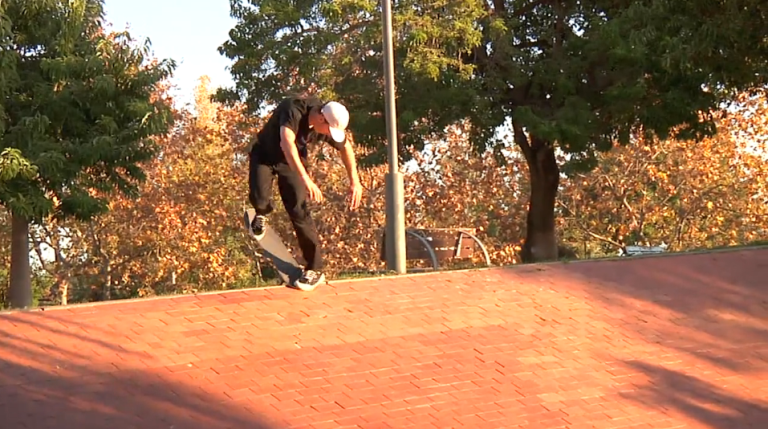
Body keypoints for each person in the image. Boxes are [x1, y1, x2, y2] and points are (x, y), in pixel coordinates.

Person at [247, 95, 363, 291]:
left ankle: (315, 268)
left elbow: (346, 148)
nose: (328, 136)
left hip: (290, 164)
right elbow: (287, 143)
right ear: (321, 118)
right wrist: (306, 179)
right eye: (328, 131)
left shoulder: (325, 122)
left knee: (299, 210)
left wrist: (355, 181)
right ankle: (262, 212)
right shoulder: (293, 109)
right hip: (264, 155)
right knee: (260, 197)